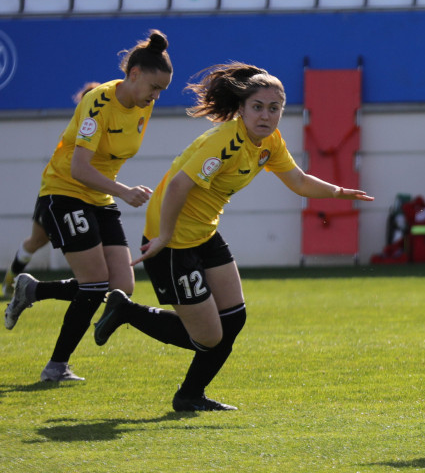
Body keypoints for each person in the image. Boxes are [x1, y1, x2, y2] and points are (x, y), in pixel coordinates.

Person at [92, 63, 374, 412]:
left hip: (204, 232)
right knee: (208, 336)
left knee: (234, 319)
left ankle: (190, 396)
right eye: (257, 107)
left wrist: (338, 191)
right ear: (241, 109)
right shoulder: (225, 140)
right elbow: (179, 184)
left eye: (274, 109)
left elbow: (298, 181)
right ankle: (126, 312)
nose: (266, 115)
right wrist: (163, 235)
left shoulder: (269, 142)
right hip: (174, 238)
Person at [4, 32, 174, 383]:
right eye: (154, 87)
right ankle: (55, 367)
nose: (156, 97)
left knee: (121, 287)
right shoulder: (98, 101)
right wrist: (125, 191)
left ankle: (34, 290)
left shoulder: (145, 103)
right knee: (95, 283)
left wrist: (116, 192)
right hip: (64, 191)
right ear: (134, 74)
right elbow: (79, 167)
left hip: (99, 197)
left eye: (162, 91)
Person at [3, 81, 102, 299]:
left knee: (40, 243)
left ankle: (14, 283)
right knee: (37, 242)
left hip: (80, 197)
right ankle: (13, 282)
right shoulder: (84, 129)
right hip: (61, 197)